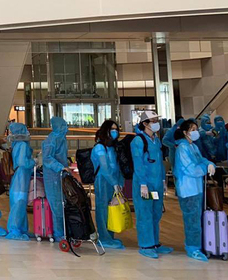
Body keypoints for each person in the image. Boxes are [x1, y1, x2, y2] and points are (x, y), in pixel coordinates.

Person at [131, 111, 173, 259]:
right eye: (153, 121)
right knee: (145, 214)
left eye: (156, 120)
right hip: (145, 184)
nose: (156, 123)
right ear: (145, 123)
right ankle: (146, 245)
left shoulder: (156, 140)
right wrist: (143, 183)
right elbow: (139, 164)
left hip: (156, 183)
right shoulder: (138, 141)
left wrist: (163, 180)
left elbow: (159, 162)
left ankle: (155, 243)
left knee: (156, 213)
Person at [174, 119, 216, 262]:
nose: (196, 132)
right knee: (192, 221)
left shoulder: (193, 147)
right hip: (187, 189)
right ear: (185, 132)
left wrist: (209, 163)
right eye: (192, 130)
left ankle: (197, 245)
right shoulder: (182, 148)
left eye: (196, 129)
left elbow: (201, 159)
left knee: (197, 219)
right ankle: (193, 248)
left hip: (196, 188)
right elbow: (191, 169)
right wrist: (205, 168)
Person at [91, 120, 125, 249]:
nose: (115, 132)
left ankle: (110, 236)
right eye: (112, 129)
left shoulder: (112, 148)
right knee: (103, 209)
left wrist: (119, 182)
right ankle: (104, 238)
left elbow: (117, 166)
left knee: (112, 209)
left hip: (113, 181)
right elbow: (104, 168)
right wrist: (114, 182)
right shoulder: (99, 148)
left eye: (116, 129)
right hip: (103, 181)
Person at [5, 122, 35, 241]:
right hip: (21, 177)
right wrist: (34, 161)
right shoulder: (22, 145)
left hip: (20, 176)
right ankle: (15, 230)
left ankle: (21, 229)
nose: (28, 132)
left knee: (20, 204)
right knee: (19, 203)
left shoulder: (18, 144)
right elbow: (23, 162)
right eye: (26, 129)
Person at [42, 116, 69, 240]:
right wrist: (60, 167)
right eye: (63, 126)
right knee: (56, 205)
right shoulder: (51, 140)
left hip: (60, 175)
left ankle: (64, 231)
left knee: (62, 203)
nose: (66, 128)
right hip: (53, 176)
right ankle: (59, 233)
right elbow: (47, 158)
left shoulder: (61, 139)